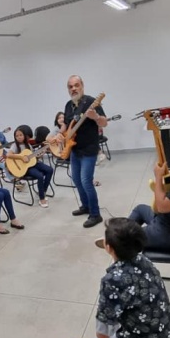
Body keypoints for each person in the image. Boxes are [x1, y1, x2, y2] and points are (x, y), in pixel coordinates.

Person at [62, 218, 170, 338]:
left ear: (108, 247)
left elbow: (102, 337)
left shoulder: (113, 280)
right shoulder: (145, 261)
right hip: (169, 333)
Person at [55, 75, 107, 228]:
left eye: (76, 85)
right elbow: (65, 125)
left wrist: (95, 116)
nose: (73, 89)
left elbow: (105, 122)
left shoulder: (91, 102)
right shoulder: (68, 105)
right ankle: (85, 206)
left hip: (89, 149)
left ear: (82, 85)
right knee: (76, 180)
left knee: (86, 181)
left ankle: (95, 214)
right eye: (70, 86)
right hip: (74, 149)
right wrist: (60, 133)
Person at [7, 127, 54, 208]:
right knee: (39, 175)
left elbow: (32, 158)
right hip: (25, 168)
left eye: (20, 135)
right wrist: (21, 158)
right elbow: (8, 155)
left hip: (32, 164)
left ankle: (43, 191)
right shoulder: (14, 145)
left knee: (50, 170)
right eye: (17, 136)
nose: (19, 137)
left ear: (24, 136)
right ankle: (42, 199)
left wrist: (40, 155)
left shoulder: (28, 145)